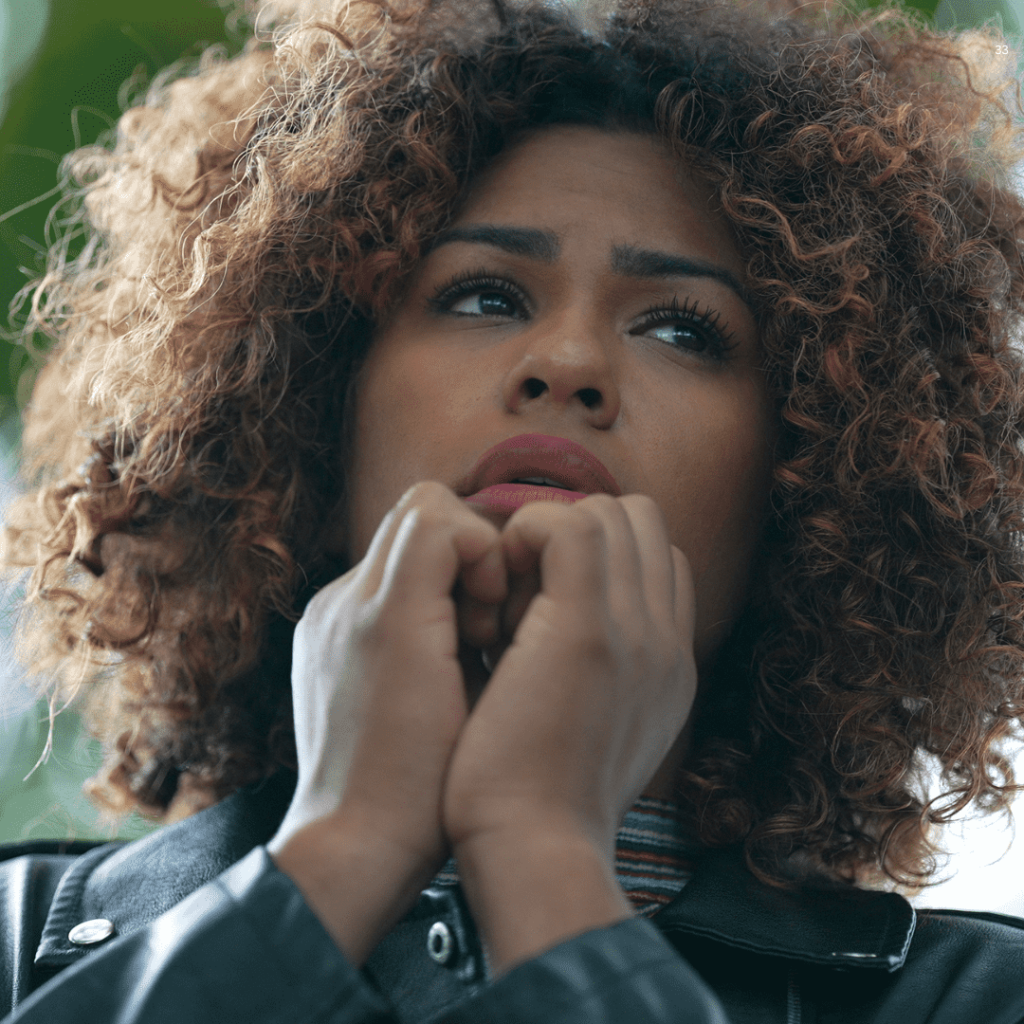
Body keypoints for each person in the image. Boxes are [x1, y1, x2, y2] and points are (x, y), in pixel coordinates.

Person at [1, 0, 1023, 1019]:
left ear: (806, 489)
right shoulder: (16, 938)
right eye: (485, 296)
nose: (569, 363)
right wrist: (344, 847)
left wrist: (541, 855)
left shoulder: (976, 999)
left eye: (681, 329)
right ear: (311, 419)